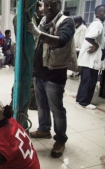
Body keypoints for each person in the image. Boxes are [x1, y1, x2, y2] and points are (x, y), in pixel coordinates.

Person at [27, 0, 76, 158]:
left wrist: (38, 33)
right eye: (46, 4)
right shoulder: (43, 21)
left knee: (57, 109)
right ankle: (44, 129)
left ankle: (60, 139)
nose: (48, 8)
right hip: (40, 72)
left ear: (60, 5)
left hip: (55, 74)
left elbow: (60, 41)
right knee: (41, 106)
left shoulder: (67, 22)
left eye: (52, 4)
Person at [76, 5, 105, 110]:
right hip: (91, 59)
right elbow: (89, 37)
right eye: (103, 11)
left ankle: (80, 99)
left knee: (85, 80)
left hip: (88, 59)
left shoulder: (96, 23)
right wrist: (96, 45)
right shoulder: (98, 24)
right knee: (90, 81)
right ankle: (84, 102)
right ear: (97, 13)